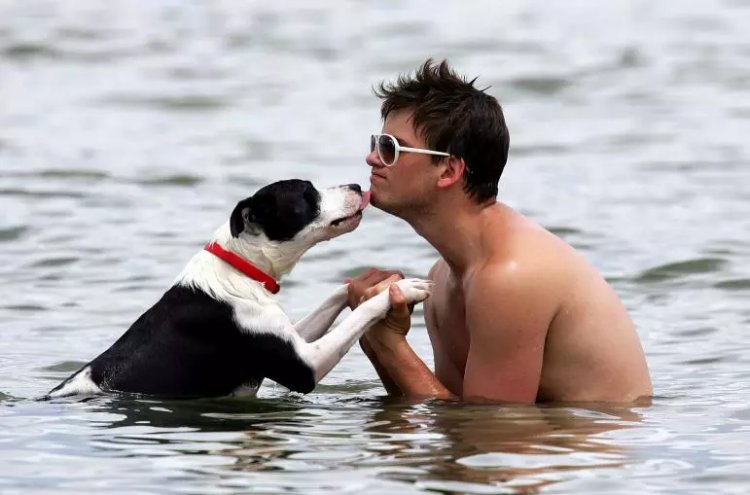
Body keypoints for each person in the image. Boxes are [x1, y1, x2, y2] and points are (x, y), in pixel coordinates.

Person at [347, 59, 652, 404]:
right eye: (376, 144)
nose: (372, 158)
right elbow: (452, 418)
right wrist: (375, 335)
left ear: (449, 169)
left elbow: (490, 433)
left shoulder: (509, 276)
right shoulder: (444, 278)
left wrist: (391, 347)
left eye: (390, 148)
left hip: (579, 450)